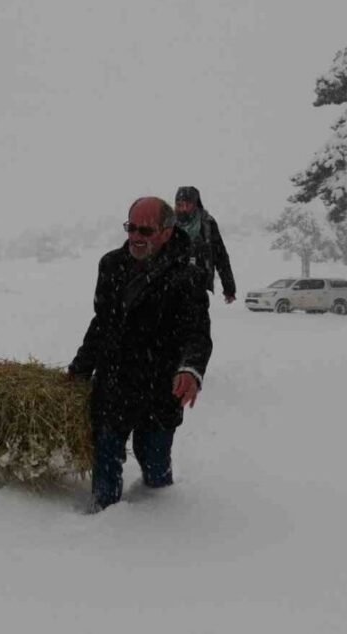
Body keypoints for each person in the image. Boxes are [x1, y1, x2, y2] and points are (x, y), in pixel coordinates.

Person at [68, 196, 213, 511]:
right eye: (131, 228)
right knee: (106, 454)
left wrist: (190, 369)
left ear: (166, 231)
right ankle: (102, 520)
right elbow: (102, 323)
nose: (135, 237)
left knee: (155, 466)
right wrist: (79, 370)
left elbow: (197, 332)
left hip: (159, 389)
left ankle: (155, 523)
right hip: (114, 384)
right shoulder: (110, 265)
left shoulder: (187, 276)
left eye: (145, 231)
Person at [174, 185, 236, 304]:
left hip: (199, 283)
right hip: (173, 282)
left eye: (188, 204)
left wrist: (229, 288)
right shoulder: (169, 224)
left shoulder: (207, 224)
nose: (184, 209)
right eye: (181, 204)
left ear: (196, 204)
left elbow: (221, 256)